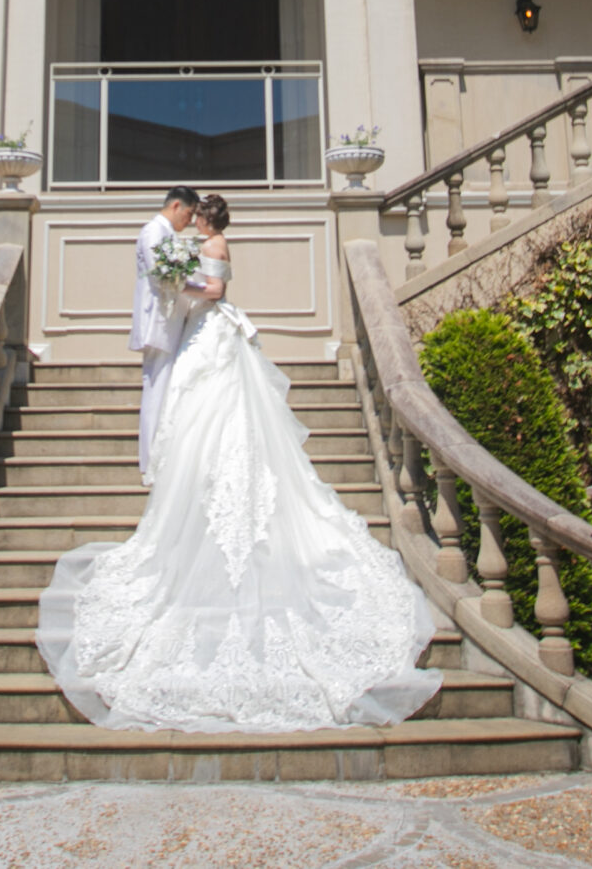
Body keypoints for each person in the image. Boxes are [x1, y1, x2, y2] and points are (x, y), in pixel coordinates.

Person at [38, 193, 443, 732]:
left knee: (227, 420)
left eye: (198, 215)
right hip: (199, 335)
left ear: (205, 218)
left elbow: (217, 288)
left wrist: (177, 282)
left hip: (214, 332)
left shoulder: (214, 244)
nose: (194, 220)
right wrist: (177, 278)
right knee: (197, 425)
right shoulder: (193, 243)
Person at [130, 185, 202, 484]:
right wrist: (198, 288)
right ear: (175, 206)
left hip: (172, 319)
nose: (190, 220)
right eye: (188, 213)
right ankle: (150, 464)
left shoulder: (170, 235)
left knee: (166, 389)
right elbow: (163, 276)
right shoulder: (152, 232)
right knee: (156, 389)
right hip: (158, 321)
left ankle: (164, 456)